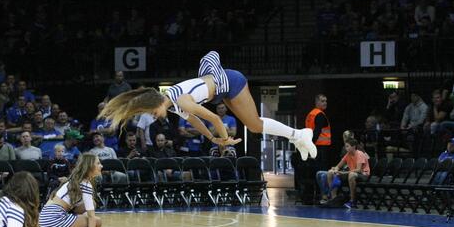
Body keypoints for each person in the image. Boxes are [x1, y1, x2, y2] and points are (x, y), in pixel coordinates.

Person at [100, 51, 316, 159]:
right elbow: (195, 120)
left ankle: (299, 135)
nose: (154, 116)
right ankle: (297, 136)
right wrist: (214, 138)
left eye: (152, 112)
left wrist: (224, 141)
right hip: (219, 89)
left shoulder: (182, 99)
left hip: (231, 82)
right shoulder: (174, 104)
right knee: (254, 125)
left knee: (254, 125)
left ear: (156, 102)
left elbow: (213, 118)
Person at [39, 154, 102, 227]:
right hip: (54, 218)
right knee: (97, 221)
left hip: (44, 220)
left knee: (88, 206)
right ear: (89, 166)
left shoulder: (73, 180)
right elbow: (91, 217)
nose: (101, 166)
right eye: (98, 163)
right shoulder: (85, 184)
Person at [326, 138, 370, 209]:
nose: (345, 148)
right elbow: (338, 166)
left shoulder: (360, 154)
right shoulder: (348, 154)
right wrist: (335, 170)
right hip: (351, 173)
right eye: (345, 146)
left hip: (363, 174)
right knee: (330, 172)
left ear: (353, 146)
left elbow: (358, 170)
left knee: (351, 175)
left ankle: (352, 201)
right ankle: (334, 198)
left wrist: (343, 173)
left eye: (347, 146)